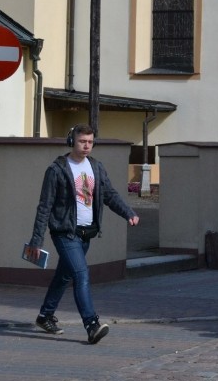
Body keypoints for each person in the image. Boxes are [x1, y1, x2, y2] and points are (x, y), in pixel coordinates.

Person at [26, 124, 140, 344]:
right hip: (64, 232)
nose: (86, 146)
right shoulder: (57, 169)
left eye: (90, 142)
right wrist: (36, 240)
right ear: (72, 141)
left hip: (86, 233)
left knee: (65, 276)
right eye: (82, 141)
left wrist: (128, 213)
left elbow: (109, 195)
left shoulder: (96, 167)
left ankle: (45, 316)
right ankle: (91, 324)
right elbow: (44, 206)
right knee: (81, 274)